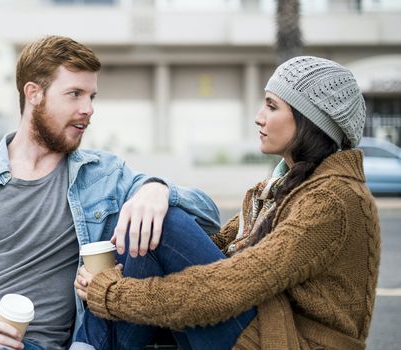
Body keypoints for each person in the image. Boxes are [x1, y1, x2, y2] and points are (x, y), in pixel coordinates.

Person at [0, 36, 221, 350]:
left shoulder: (103, 176)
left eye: (92, 96)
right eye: (75, 94)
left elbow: (208, 218)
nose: (88, 109)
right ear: (34, 94)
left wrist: (157, 190)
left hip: (26, 343)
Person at [72, 56, 381, 350]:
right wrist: (155, 192)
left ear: (310, 122)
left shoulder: (333, 200)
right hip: (270, 326)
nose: (259, 117)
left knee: (163, 223)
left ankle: (88, 343)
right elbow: (212, 248)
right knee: (145, 222)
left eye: (272, 106)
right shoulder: (274, 190)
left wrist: (110, 293)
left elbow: (227, 286)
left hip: (290, 341)